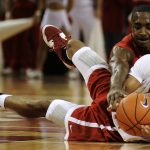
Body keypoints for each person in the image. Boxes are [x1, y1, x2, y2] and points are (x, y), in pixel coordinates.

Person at [1, 25, 150, 142]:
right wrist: (119, 99)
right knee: (73, 45)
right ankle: (65, 52)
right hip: (113, 96)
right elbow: (124, 87)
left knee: (41, 106)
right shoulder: (147, 61)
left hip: (108, 125)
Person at [107, 4, 150, 112]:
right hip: (126, 94)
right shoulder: (123, 48)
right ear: (131, 27)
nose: (143, 32)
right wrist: (115, 88)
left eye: (149, 27)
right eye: (138, 27)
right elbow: (119, 65)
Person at [28, 0, 72, 79]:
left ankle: (71, 70)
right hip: (49, 14)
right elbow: (42, 3)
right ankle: (38, 70)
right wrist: (38, 11)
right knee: (42, 44)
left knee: (67, 43)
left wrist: (62, 11)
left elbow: (70, 3)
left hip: (61, 15)